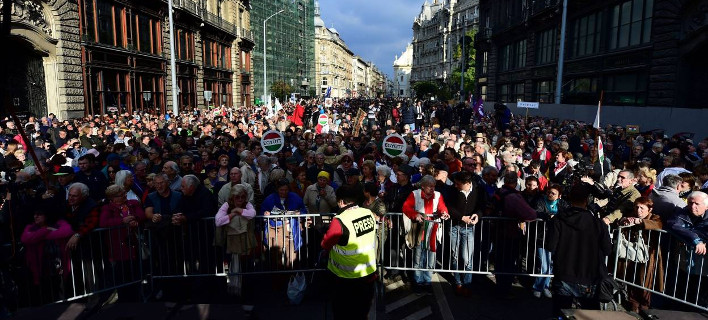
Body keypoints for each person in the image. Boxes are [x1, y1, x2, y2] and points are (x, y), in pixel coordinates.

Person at [548, 183, 611, 316]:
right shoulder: (598, 224)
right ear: (586, 200)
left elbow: (550, 246)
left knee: (560, 313)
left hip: (565, 273)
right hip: (588, 276)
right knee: (589, 315)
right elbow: (607, 249)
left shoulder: (559, 220)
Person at [321, 183, 378, 320]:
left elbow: (326, 243)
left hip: (345, 277)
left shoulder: (340, 220)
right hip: (368, 272)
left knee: (343, 311)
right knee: (362, 311)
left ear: (341, 201)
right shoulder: (368, 212)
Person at [615, 197, 664, 313]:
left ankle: (644, 306)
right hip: (631, 253)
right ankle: (633, 304)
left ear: (649, 209)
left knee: (645, 281)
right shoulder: (630, 215)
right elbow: (620, 223)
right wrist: (622, 222)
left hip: (648, 255)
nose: (639, 210)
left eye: (642, 208)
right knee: (631, 278)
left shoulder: (654, 217)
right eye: (637, 207)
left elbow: (658, 225)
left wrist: (641, 222)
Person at [402, 175, 450, 289]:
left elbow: (442, 207)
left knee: (431, 257)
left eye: (434, 186)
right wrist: (415, 215)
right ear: (423, 186)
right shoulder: (415, 194)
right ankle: (418, 281)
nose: (432, 188)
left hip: (433, 230)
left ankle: (427, 281)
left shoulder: (438, 195)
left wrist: (444, 212)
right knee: (418, 256)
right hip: (419, 230)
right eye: (430, 186)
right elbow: (406, 207)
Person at [99, 185, 146, 302]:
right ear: (113, 198)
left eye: (124, 193)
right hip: (118, 248)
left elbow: (141, 215)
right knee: (121, 276)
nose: (125, 195)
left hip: (133, 245)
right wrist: (121, 221)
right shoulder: (107, 208)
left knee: (135, 274)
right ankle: (124, 301)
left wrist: (135, 219)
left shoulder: (133, 203)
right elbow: (103, 223)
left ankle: (137, 299)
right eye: (121, 195)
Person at [445, 171, 485, 296]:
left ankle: (467, 283)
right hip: (454, 226)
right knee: (454, 256)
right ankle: (458, 282)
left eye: (458, 184)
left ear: (467, 184)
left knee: (467, 258)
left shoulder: (479, 190)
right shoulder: (453, 190)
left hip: (469, 228)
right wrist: (462, 217)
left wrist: (477, 215)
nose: (455, 185)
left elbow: (482, 206)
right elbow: (449, 206)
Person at [215, 184, 256, 296]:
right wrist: (232, 214)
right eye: (237, 197)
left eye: (242, 197)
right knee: (230, 267)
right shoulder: (226, 205)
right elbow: (218, 221)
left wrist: (240, 210)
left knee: (246, 268)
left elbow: (252, 214)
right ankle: (230, 292)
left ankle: (246, 292)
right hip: (230, 243)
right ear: (232, 197)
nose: (240, 199)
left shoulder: (247, 204)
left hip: (245, 242)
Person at [532, 185, 568, 298]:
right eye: (549, 192)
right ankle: (537, 287)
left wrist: (555, 217)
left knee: (551, 264)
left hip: (556, 238)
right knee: (544, 265)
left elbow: (566, 214)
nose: (550, 194)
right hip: (542, 236)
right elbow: (537, 212)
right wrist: (549, 216)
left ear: (559, 196)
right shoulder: (541, 201)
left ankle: (546, 286)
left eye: (553, 193)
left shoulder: (562, 204)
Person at [261, 178, 306, 268]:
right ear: (277, 190)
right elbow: (262, 212)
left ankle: (290, 273)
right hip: (275, 232)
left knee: (291, 257)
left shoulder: (295, 197)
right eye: (281, 190)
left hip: (291, 231)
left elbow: (304, 210)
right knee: (276, 257)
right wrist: (266, 214)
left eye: (286, 190)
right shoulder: (270, 199)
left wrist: (299, 213)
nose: (283, 192)